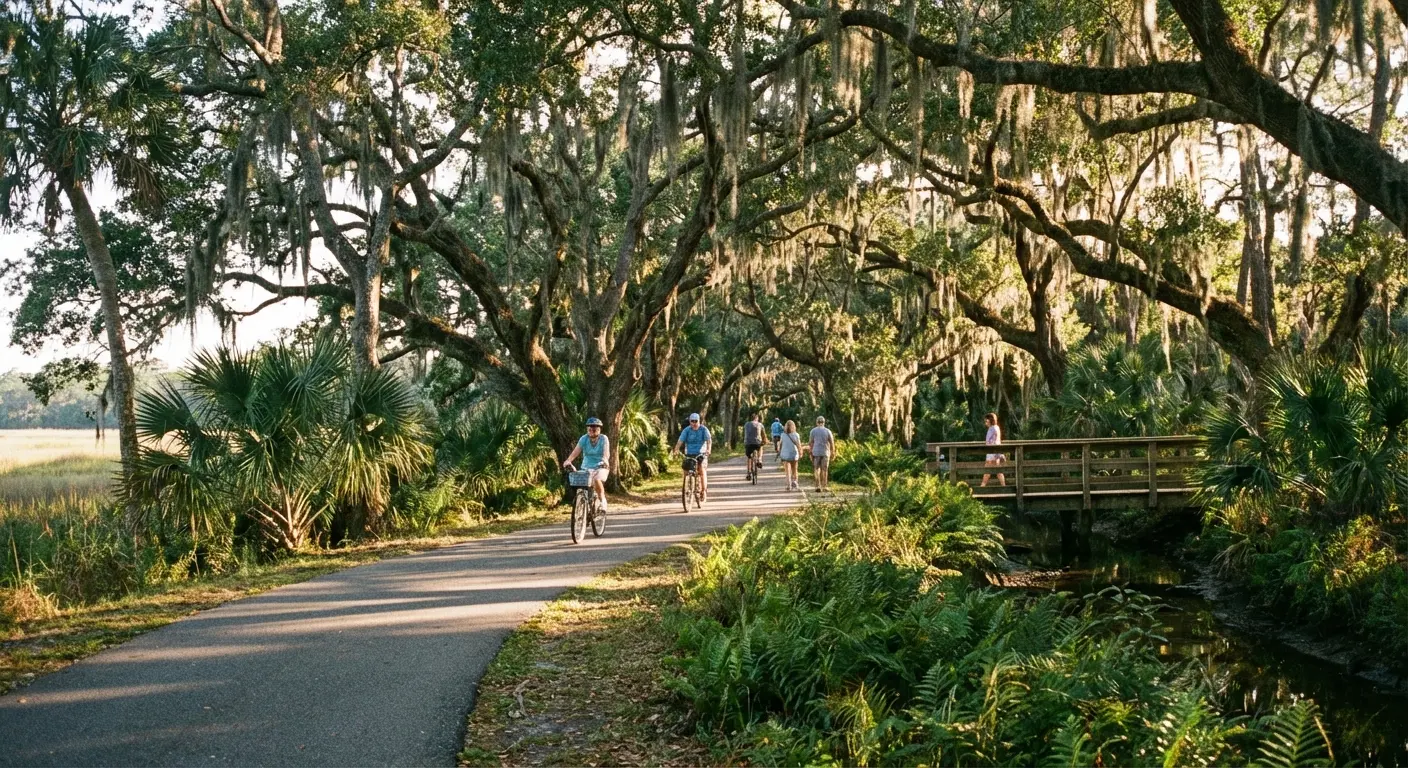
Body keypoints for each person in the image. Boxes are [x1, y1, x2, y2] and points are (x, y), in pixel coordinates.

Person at [561, 417, 610, 511]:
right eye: (589, 428)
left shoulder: (604, 438)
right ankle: (584, 506)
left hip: (601, 466)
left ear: (599, 429)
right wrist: (568, 460)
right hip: (586, 467)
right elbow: (576, 451)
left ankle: (602, 500)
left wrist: (604, 461)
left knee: (597, 479)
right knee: (581, 484)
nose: (591, 429)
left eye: (594, 428)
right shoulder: (584, 438)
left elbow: (606, 453)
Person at [674, 413, 712, 499]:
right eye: (692, 421)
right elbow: (680, 441)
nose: (694, 423)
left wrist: (708, 449)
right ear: (690, 422)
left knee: (701, 469)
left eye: (696, 421)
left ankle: (703, 491)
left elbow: (709, 440)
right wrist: (676, 449)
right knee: (686, 470)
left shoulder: (704, 429)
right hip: (690, 453)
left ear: (699, 421)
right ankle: (687, 486)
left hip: (701, 453)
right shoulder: (686, 430)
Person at [806, 415, 836, 492]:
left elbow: (810, 443)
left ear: (817, 422)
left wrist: (810, 452)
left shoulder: (813, 431)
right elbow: (832, 443)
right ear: (824, 422)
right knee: (825, 469)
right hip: (825, 452)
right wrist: (833, 452)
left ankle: (817, 486)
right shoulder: (828, 431)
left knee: (816, 469)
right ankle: (824, 486)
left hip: (816, 452)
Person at [981, 412, 1006, 487]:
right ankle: (1004, 487)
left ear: (990, 420)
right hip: (996, 452)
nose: (985, 423)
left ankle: (981, 488)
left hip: (992, 453)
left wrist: (993, 454)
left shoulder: (992, 429)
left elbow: (989, 442)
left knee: (987, 472)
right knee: (998, 472)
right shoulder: (997, 427)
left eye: (986, 421)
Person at [778, 419, 803, 490]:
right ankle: (795, 482)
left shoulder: (782, 435)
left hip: (785, 455)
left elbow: (780, 445)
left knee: (787, 471)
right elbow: (798, 445)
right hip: (794, 454)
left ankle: (789, 485)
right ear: (794, 427)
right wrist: (800, 452)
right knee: (795, 469)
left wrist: (779, 451)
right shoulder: (796, 435)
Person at [742, 412, 766, 480]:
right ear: (757, 418)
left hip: (748, 443)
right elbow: (763, 435)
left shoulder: (746, 424)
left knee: (749, 457)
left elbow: (746, 434)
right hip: (757, 443)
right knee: (761, 447)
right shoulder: (760, 424)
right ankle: (759, 460)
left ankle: (749, 472)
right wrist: (764, 441)